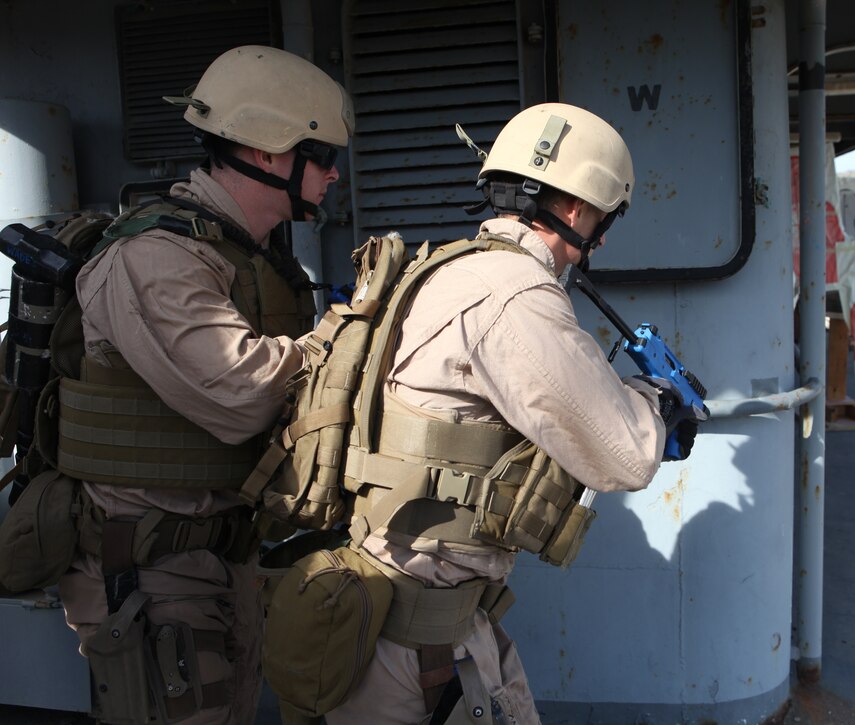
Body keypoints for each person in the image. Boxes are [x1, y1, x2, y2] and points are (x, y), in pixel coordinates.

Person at [325, 103, 701, 724]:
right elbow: (628, 457)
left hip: (394, 607)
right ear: (578, 210)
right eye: (605, 219)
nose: (602, 238)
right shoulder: (516, 293)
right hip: (420, 640)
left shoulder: (442, 267)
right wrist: (656, 401)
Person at [55, 45, 353, 724]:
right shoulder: (154, 259)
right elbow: (244, 394)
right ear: (274, 154)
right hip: (150, 571)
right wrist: (345, 333)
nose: (335, 174)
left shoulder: (242, 252)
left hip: (219, 554)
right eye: (323, 155)